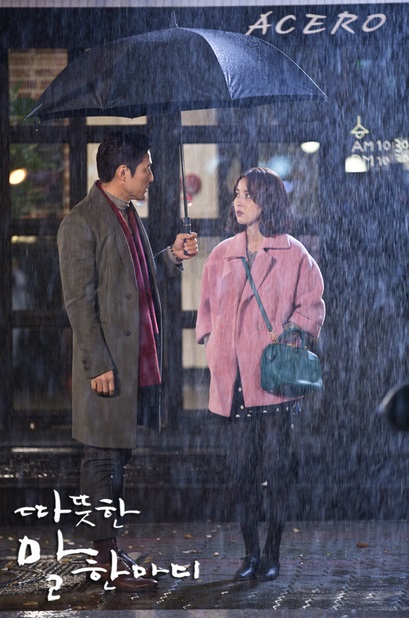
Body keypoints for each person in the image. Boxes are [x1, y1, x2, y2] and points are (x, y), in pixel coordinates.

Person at [57, 132, 198, 592]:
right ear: (123, 173)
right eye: (146, 169)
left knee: (116, 457)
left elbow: (136, 278)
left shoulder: (127, 213)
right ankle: (104, 561)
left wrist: (171, 256)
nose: (152, 177)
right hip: (107, 365)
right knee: (101, 459)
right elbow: (79, 303)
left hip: (132, 361)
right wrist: (98, 362)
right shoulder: (81, 222)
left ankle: (110, 552)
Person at [196, 167, 325, 582]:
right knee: (242, 473)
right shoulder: (222, 253)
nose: (238, 202)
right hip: (233, 380)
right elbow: (206, 305)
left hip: (272, 381)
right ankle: (250, 554)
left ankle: (273, 554)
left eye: (248, 195)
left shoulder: (294, 253)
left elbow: (312, 302)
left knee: (277, 472)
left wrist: (295, 331)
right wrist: (211, 339)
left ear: (267, 201)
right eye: (236, 194)